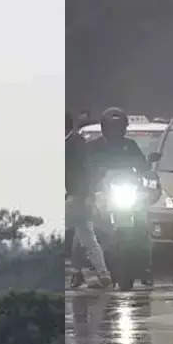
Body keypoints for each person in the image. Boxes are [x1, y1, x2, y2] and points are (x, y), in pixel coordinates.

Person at [88, 107, 153, 286]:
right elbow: (84, 169)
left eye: (119, 127)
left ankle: (145, 267)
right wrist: (92, 180)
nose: (115, 131)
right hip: (102, 194)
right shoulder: (93, 147)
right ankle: (82, 268)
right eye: (111, 127)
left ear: (124, 128)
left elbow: (143, 167)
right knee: (88, 228)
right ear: (104, 128)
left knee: (142, 225)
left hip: (127, 193)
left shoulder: (130, 146)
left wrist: (147, 174)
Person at [66, 111, 110, 288]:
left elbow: (85, 171)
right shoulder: (74, 142)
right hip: (77, 196)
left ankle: (84, 272)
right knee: (86, 236)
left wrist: (86, 195)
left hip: (76, 196)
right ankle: (102, 273)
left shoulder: (75, 143)